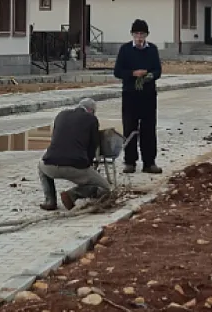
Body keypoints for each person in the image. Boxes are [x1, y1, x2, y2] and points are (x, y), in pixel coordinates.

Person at [38, 98, 111, 211]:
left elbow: (55, 138)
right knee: (106, 188)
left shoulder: (61, 115)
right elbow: (93, 145)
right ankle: (72, 194)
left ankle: (50, 201)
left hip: (50, 164)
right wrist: (89, 164)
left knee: (40, 167)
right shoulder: (91, 119)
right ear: (91, 110)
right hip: (76, 166)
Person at [113, 19, 163, 175]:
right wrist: (133, 74)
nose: (139, 37)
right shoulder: (125, 50)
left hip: (148, 95)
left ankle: (149, 162)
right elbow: (117, 71)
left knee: (148, 129)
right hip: (130, 94)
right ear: (132, 35)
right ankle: (130, 161)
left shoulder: (152, 50)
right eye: (136, 34)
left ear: (146, 35)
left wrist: (150, 76)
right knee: (129, 128)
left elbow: (158, 70)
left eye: (142, 34)